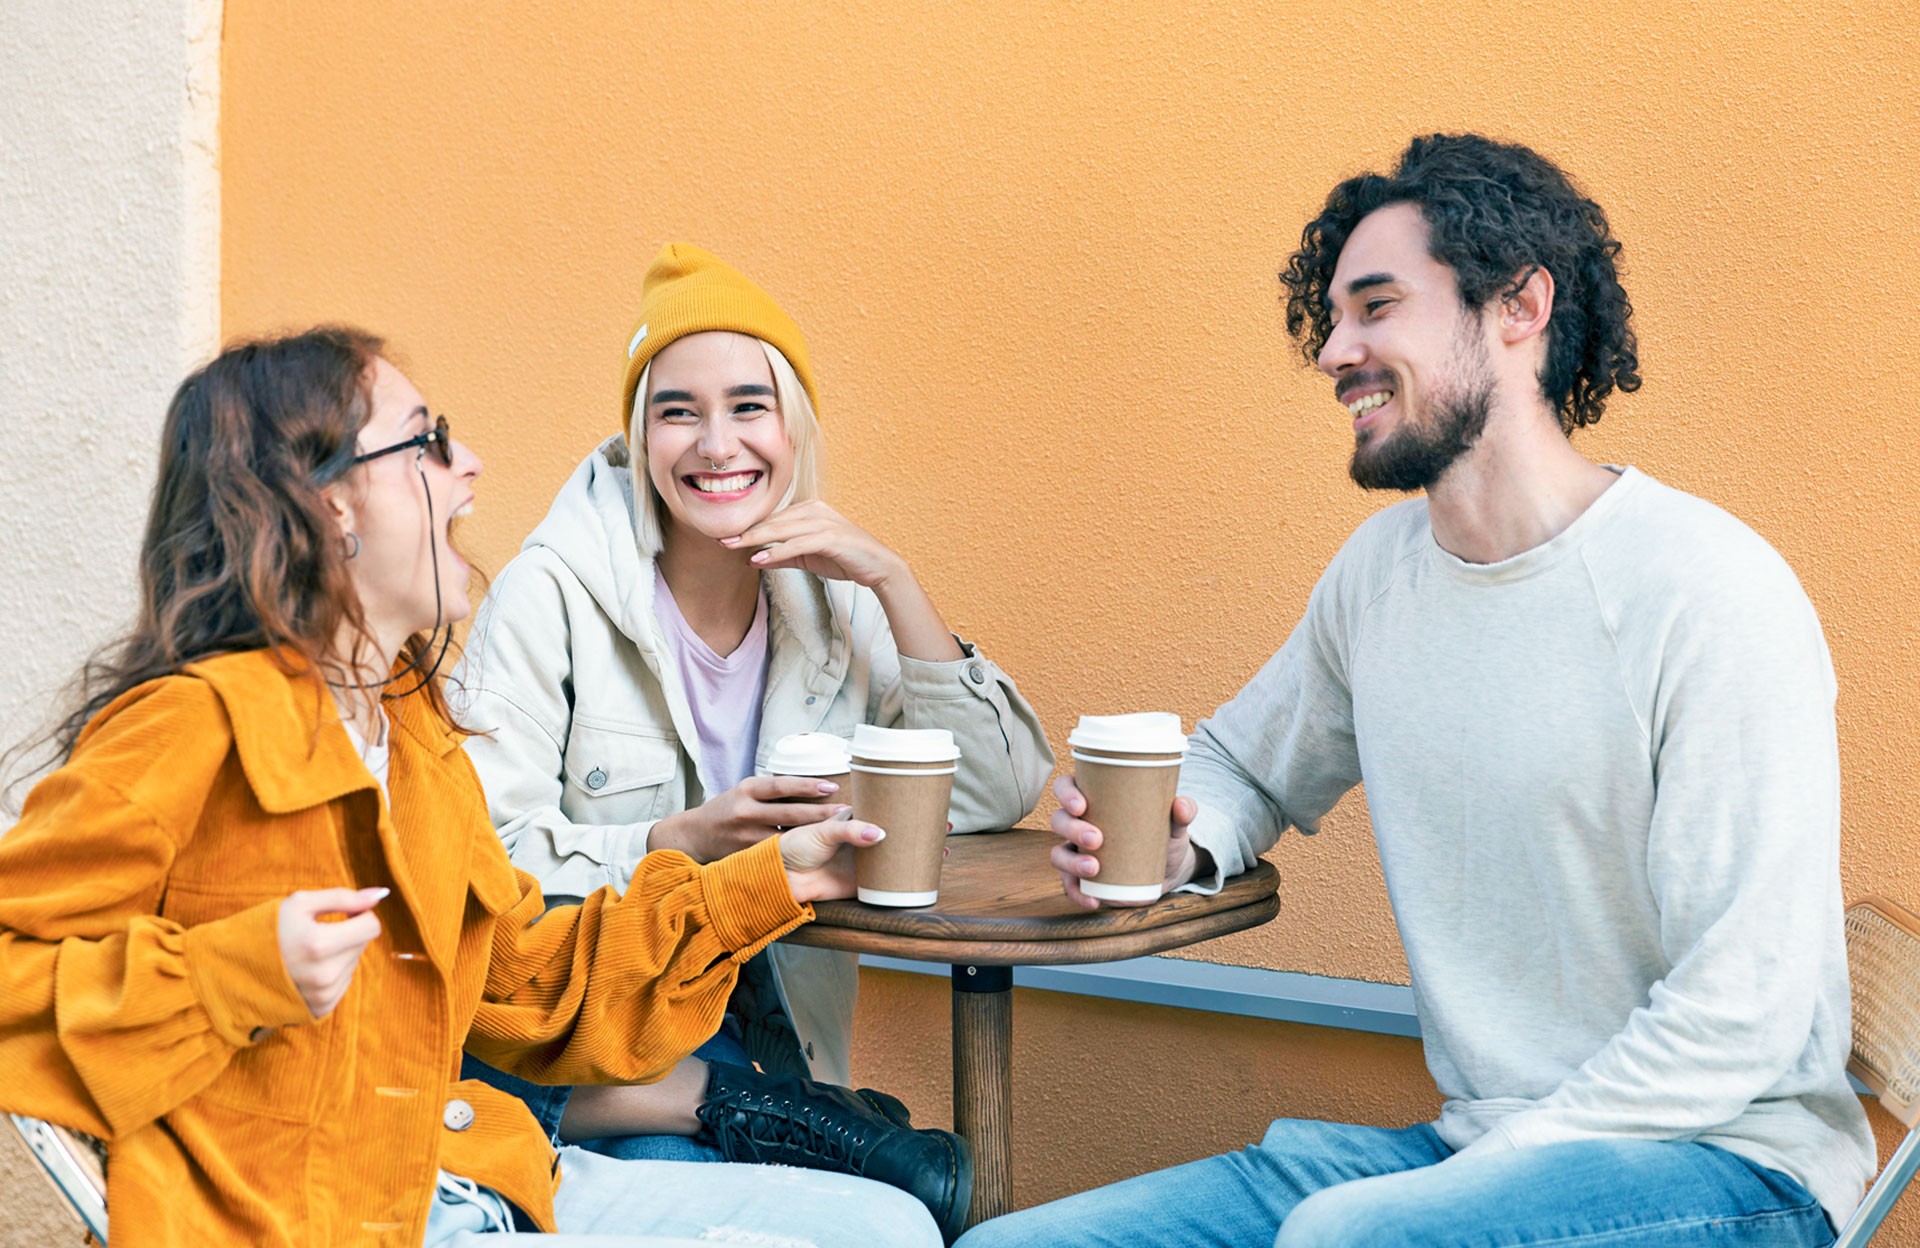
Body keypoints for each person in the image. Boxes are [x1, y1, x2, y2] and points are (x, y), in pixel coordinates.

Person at [961, 134, 1876, 1247]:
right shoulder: (1382, 576)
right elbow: (1245, 763)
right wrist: (1180, 843)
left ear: (1520, 308)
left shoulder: (1706, 590)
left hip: (1731, 1164)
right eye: (1334, 317)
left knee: (1345, 1240)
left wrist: (1474, 1175)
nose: (1337, 349)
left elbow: (1743, 1016)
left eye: (1378, 307)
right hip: (1482, 1146)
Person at [0, 328, 942, 1247]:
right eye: (429, 440)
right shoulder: (191, 725)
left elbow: (524, 982)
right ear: (328, 503)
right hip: (309, 1218)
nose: (472, 466)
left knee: (890, 1225)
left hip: (465, 1177)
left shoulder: (412, 731)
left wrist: (772, 880)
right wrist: (230, 975)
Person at [450, 242, 1050, 1238]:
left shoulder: (832, 599)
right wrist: (673, 842)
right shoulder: (549, 592)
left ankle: (802, 1118)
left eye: (748, 405)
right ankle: (784, 1123)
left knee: (897, 1213)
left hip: (776, 1040)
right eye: (676, 410)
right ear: (639, 436)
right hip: (603, 1038)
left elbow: (993, 792)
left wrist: (895, 584)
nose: (715, 443)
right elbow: (479, 863)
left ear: (794, 427)